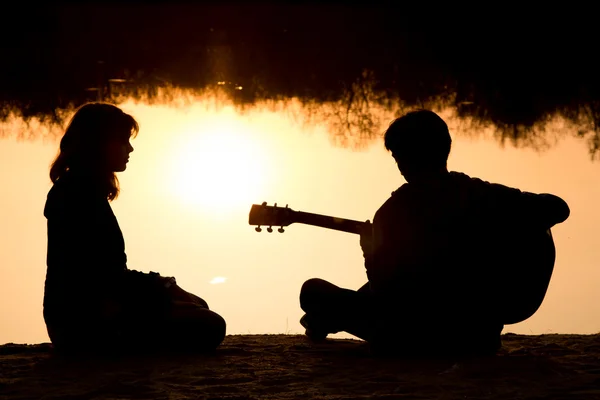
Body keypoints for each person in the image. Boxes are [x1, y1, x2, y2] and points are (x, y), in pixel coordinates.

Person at [299, 109, 570, 357]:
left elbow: (387, 295)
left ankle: (323, 319)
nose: (399, 165)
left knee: (313, 291)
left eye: (398, 157)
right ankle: (326, 319)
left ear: (405, 158)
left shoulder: (393, 213)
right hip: (480, 335)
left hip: (417, 337)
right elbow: (558, 208)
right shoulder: (480, 193)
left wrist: (371, 252)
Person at [43, 102, 226, 354]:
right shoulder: (76, 195)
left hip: (84, 314)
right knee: (210, 324)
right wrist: (164, 289)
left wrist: (164, 287)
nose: (129, 148)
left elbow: (112, 272)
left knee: (198, 306)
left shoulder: (82, 189)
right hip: (85, 322)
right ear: (100, 144)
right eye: (123, 141)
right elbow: (102, 279)